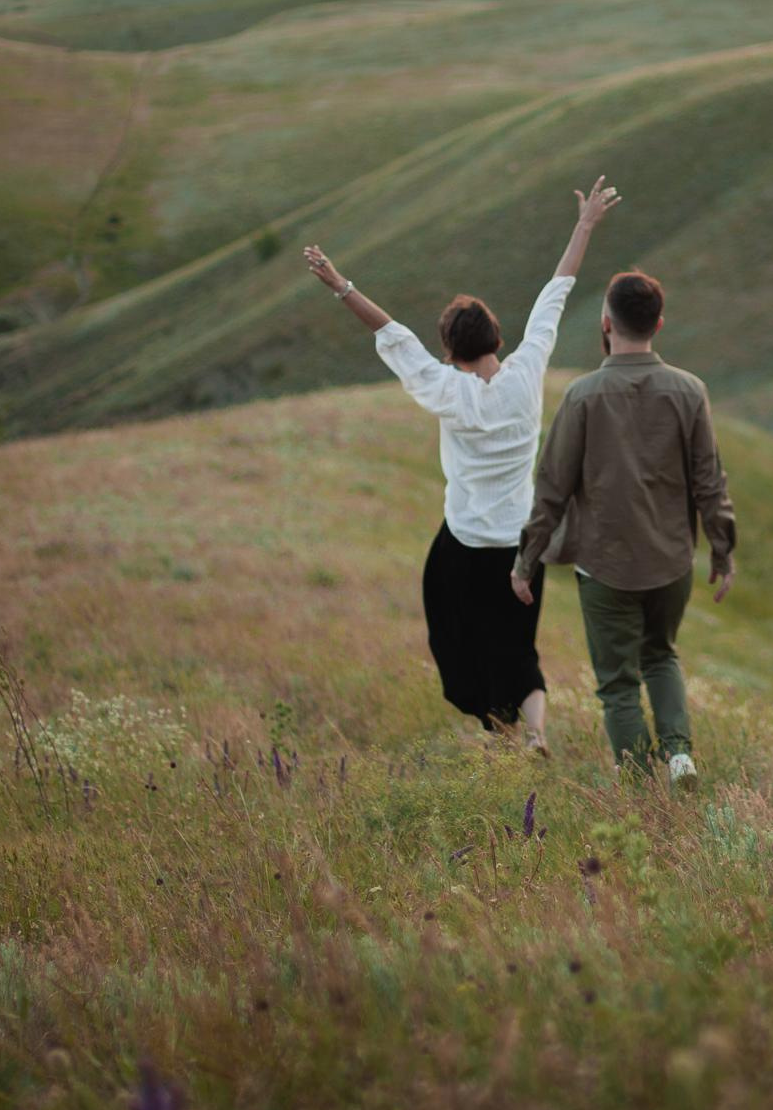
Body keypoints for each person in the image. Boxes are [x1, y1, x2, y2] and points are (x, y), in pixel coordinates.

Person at [303, 178, 622, 752]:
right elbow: (557, 292)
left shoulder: (448, 391)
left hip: (468, 541)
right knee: (519, 646)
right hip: (525, 540)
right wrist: (584, 225)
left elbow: (391, 334)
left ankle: (497, 729)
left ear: (450, 350)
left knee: (456, 639)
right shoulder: (526, 377)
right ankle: (535, 735)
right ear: (497, 337)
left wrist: (340, 285)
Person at [512, 269, 736, 787]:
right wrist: (722, 552)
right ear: (658, 322)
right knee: (660, 655)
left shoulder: (582, 396)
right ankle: (680, 757)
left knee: (618, 683)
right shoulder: (689, 391)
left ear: (606, 323)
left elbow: (552, 487)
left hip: (605, 565)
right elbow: (709, 481)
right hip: (671, 560)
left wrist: (527, 560)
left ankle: (638, 783)